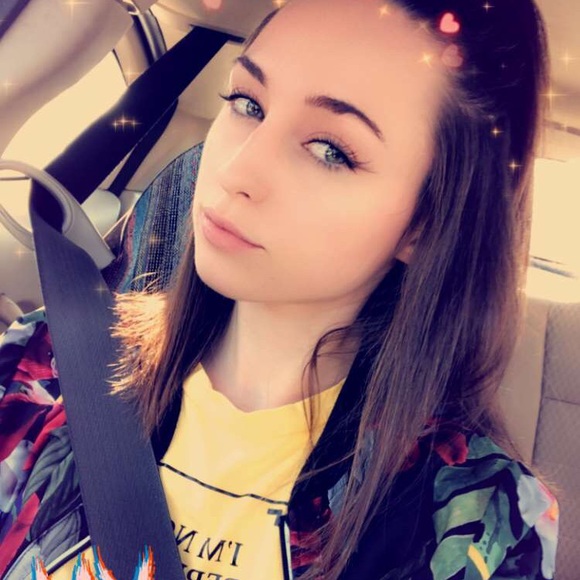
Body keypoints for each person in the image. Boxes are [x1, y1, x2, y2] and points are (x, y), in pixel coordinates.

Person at [0, 0, 559, 578]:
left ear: (426, 223)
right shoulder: (41, 366)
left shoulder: (479, 517)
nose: (236, 171)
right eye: (248, 103)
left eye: (330, 151)